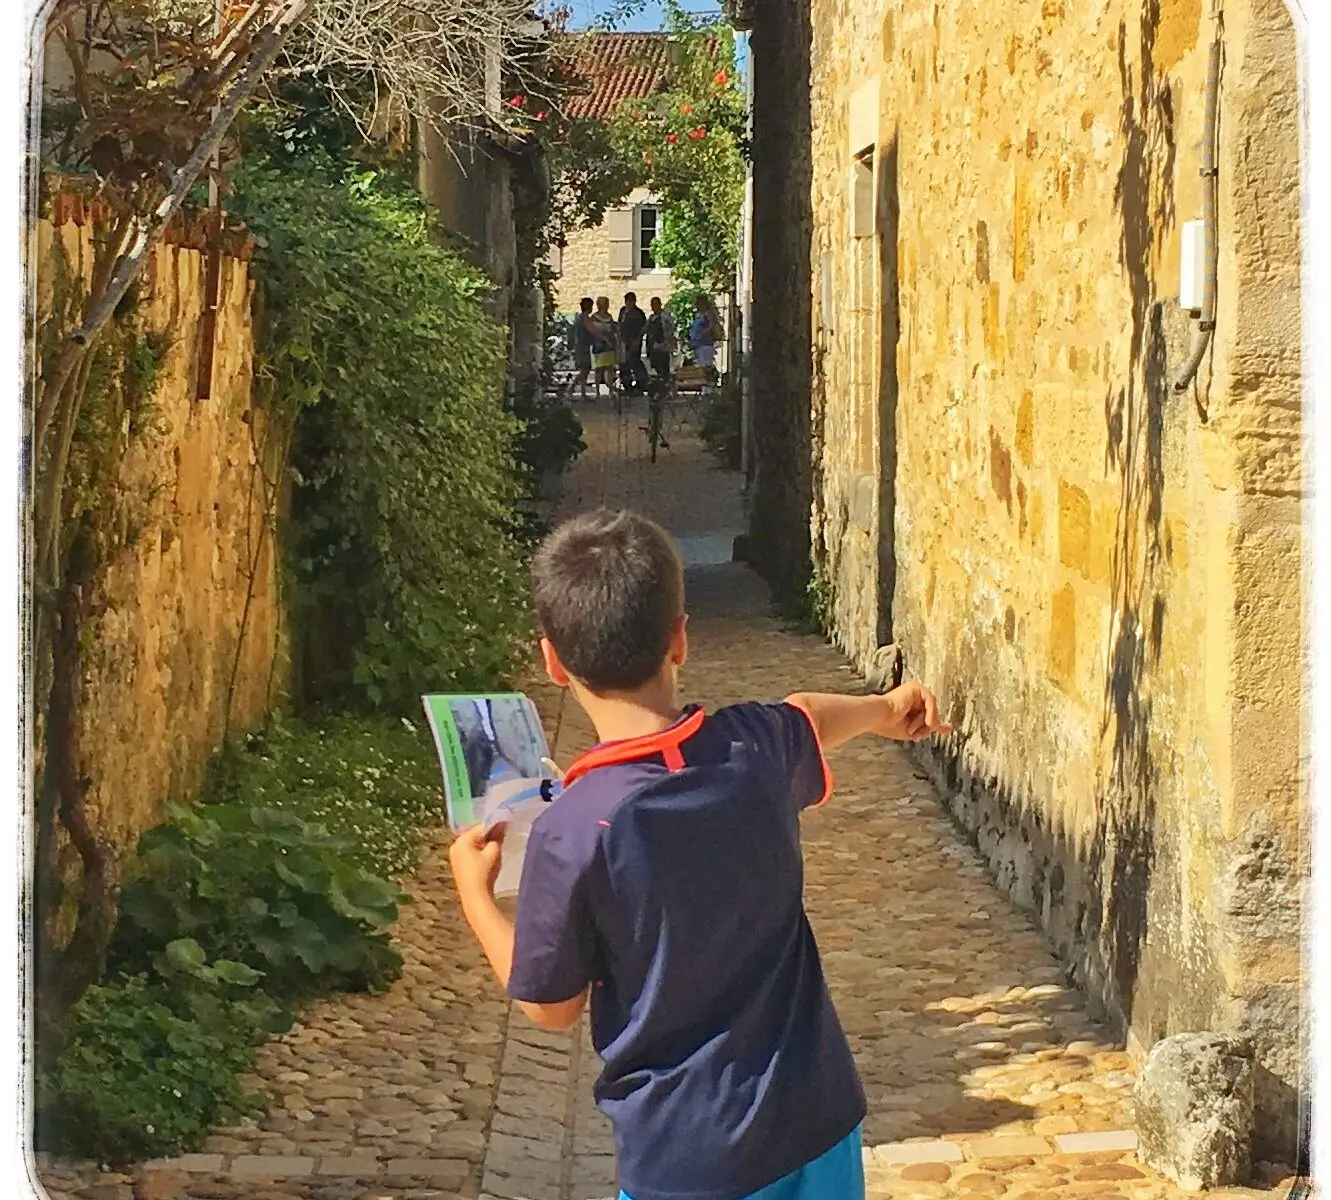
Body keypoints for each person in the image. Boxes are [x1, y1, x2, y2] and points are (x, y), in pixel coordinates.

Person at [449, 509, 951, 1200]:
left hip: (689, 1156)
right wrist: (883, 708)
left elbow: (551, 1006)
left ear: (553, 661)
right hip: (816, 1118)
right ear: (679, 639)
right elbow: (805, 714)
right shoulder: (753, 748)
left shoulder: (571, 829)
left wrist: (475, 894)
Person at [563, 297, 595, 402]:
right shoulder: (585, 318)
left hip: (580, 345)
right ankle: (570, 389)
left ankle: (583, 393)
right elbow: (591, 330)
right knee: (584, 370)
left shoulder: (579, 317)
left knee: (584, 370)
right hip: (583, 346)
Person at [617, 293, 649, 395]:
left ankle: (641, 384)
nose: (629, 303)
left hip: (634, 340)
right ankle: (627, 385)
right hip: (623, 341)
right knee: (624, 363)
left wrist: (637, 340)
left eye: (631, 301)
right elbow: (620, 324)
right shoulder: (623, 311)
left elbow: (643, 328)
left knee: (634, 361)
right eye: (627, 301)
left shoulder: (638, 313)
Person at [688, 294, 725, 379]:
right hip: (698, 344)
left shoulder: (708, 313)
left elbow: (711, 325)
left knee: (705, 367)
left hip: (705, 344)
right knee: (701, 366)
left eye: (697, 303)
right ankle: (704, 385)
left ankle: (708, 386)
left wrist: (702, 334)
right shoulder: (699, 314)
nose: (695, 305)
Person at [588, 296, 619, 396]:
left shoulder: (609, 317)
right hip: (598, 345)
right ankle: (597, 391)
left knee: (609, 368)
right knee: (599, 369)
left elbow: (613, 330)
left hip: (609, 346)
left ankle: (610, 389)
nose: (606, 306)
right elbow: (592, 331)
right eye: (605, 303)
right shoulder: (594, 317)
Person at [644, 295, 677, 383]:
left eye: (655, 304)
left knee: (664, 367)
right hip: (652, 346)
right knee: (656, 366)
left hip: (663, 346)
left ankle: (665, 385)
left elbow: (671, 330)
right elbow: (646, 329)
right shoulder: (651, 318)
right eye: (652, 304)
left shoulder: (665, 317)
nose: (653, 307)